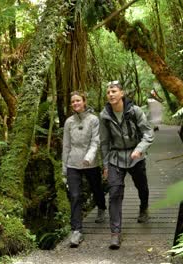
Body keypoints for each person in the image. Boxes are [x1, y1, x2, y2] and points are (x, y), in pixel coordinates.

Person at [99, 81, 155, 249]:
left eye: (114, 91)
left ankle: (144, 207)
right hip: (116, 157)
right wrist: (105, 165)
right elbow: (104, 142)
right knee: (115, 192)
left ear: (121, 93)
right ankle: (115, 233)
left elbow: (148, 133)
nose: (111, 94)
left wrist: (139, 149)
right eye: (108, 92)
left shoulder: (135, 111)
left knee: (142, 186)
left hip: (135, 156)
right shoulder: (104, 116)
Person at [62, 91, 107, 248]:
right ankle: (77, 231)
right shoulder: (69, 122)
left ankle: (101, 207)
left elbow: (96, 141)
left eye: (78, 101)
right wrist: (64, 169)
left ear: (84, 102)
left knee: (96, 188)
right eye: (73, 101)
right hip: (73, 163)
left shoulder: (93, 120)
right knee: (74, 195)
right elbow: (66, 146)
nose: (75, 103)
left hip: (90, 162)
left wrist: (89, 156)